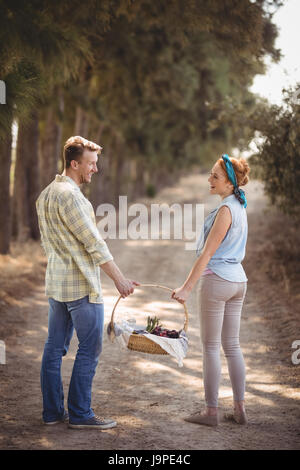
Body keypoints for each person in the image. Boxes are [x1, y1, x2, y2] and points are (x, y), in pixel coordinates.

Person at [36, 135, 139, 430]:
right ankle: (81, 415)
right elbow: (95, 244)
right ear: (74, 163)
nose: (95, 169)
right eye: (91, 164)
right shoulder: (71, 197)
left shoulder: (45, 194)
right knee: (90, 348)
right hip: (81, 286)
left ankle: (52, 413)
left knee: (54, 348)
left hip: (58, 285)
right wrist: (119, 279)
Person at [172, 154, 250, 426]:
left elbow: (206, 255)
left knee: (211, 347)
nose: (210, 179)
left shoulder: (226, 210)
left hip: (218, 281)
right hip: (238, 281)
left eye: (215, 176)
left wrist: (186, 288)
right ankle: (239, 410)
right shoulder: (239, 206)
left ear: (230, 184)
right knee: (232, 346)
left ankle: (211, 412)